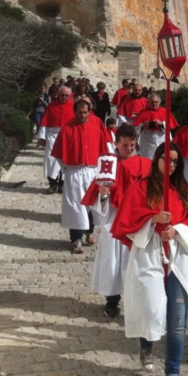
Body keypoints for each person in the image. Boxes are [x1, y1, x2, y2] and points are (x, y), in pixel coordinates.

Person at [111, 143, 188, 376]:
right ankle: (146, 344)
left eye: (176, 161)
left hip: (179, 257)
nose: (172, 164)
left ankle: (172, 373)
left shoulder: (186, 191)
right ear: (157, 159)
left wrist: (177, 229)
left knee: (176, 321)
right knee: (152, 308)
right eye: (168, 159)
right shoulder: (141, 188)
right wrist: (151, 219)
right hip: (150, 253)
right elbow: (127, 222)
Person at [89, 124, 152, 317]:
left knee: (135, 261)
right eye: (126, 145)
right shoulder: (109, 164)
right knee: (113, 260)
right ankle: (112, 300)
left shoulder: (144, 164)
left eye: (133, 145)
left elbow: (152, 192)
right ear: (116, 144)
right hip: (114, 217)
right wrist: (103, 194)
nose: (130, 149)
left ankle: (136, 301)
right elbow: (96, 197)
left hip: (136, 218)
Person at [51, 99, 111, 254]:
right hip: (74, 171)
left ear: (90, 111)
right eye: (80, 112)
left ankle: (89, 232)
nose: (83, 115)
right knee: (76, 206)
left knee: (92, 205)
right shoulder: (67, 128)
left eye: (85, 112)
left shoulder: (96, 126)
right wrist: (65, 169)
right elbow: (58, 153)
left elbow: (105, 150)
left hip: (92, 171)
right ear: (75, 111)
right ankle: (76, 239)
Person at [37, 85, 75, 193]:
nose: (64, 97)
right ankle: (52, 184)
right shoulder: (51, 106)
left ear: (70, 95)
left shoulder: (74, 107)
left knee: (65, 161)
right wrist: (42, 138)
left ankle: (62, 184)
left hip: (68, 138)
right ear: (58, 95)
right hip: (52, 136)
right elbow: (44, 122)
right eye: (62, 95)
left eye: (67, 95)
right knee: (51, 160)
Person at [134, 93, 178, 159]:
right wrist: (143, 125)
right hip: (147, 141)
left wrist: (162, 124)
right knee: (148, 160)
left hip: (162, 139)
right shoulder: (143, 112)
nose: (154, 104)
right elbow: (135, 127)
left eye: (156, 102)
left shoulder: (165, 111)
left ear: (159, 102)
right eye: (152, 102)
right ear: (148, 102)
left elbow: (171, 125)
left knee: (162, 159)